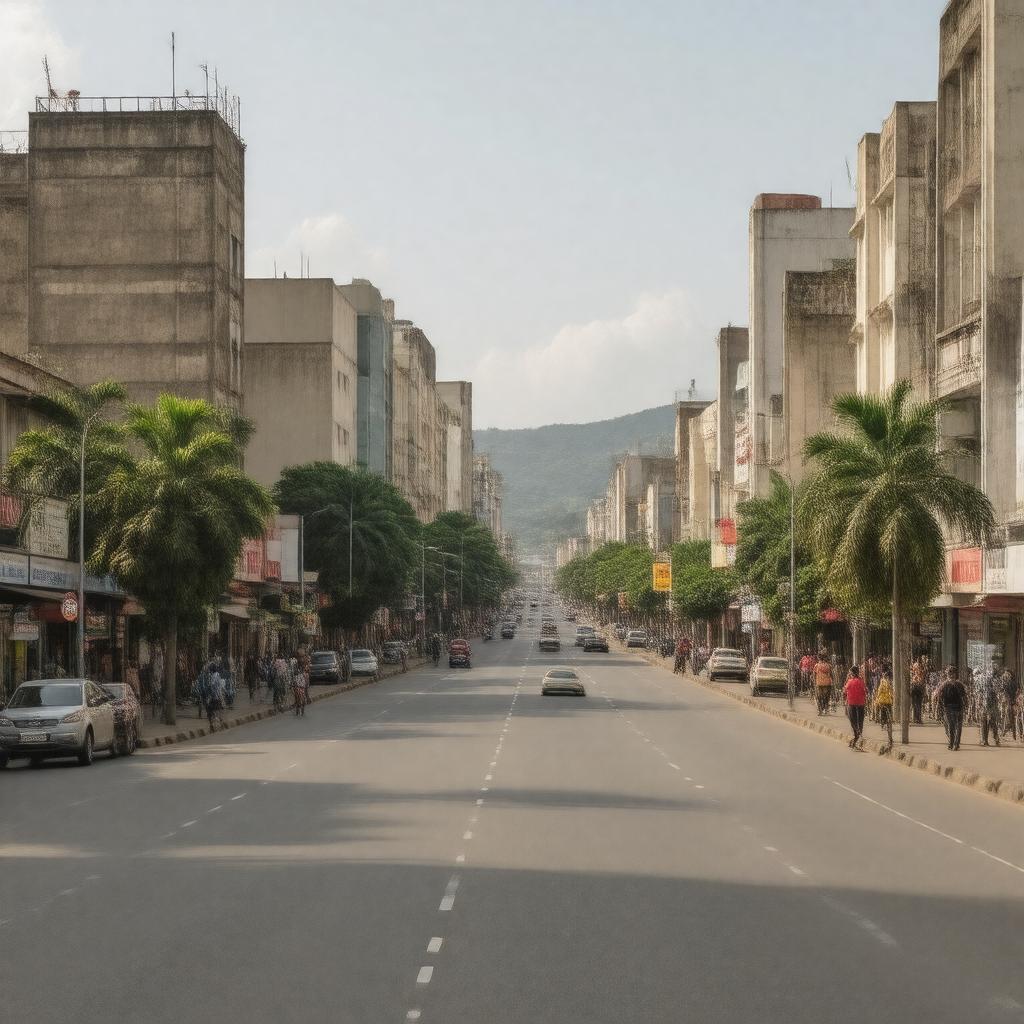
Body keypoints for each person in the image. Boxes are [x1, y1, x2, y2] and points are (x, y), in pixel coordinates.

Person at [934, 668, 967, 751]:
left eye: (952, 673)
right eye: (950, 673)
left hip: (955, 708)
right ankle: (954, 744)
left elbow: (938, 697)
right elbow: (938, 697)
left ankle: (953, 744)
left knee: (953, 727)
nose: (951, 675)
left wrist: (938, 707)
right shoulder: (947, 684)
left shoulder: (948, 684)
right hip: (951, 708)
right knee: (954, 727)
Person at [843, 664, 867, 749]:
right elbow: (865, 691)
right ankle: (858, 736)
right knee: (860, 721)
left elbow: (844, 691)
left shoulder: (849, 681)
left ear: (852, 673)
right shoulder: (861, 681)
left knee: (852, 721)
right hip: (861, 703)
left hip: (851, 704)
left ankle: (857, 736)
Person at [975, 669, 1001, 747]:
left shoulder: (980, 682)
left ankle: (984, 740)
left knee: (984, 722)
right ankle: (996, 739)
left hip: (985, 706)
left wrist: (978, 705)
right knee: (992, 723)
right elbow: (997, 694)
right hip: (992, 706)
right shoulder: (994, 684)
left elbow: (979, 695)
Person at [874, 669, 894, 749]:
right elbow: (891, 692)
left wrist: (877, 699)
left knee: (883, 713)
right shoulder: (889, 683)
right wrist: (892, 697)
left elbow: (879, 691)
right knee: (888, 714)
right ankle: (887, 724)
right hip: (888, 701)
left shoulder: (882, 683)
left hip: (882, 701)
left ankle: (883, 724)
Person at [1001, 669, 1020, 741]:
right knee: (1013, 718)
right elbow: (1018, 691)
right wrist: (1015, 698)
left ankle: (1005, 732)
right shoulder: (1015, 682)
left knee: (1009, 718)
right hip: (1014, 702)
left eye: (1006, 674)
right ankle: (1013, 735)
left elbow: (1005, 692)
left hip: (1010, 702)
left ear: (1009, 675)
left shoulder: (1007, 683)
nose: (1005, 676)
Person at [910, 657, 926, 725]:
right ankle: (917, 719)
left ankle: (916, 719)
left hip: (916, 688)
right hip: (918, 688)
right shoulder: (921, 670)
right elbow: (922, 680)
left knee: (915, 705)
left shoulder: (914, 669)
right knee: (918, 705)